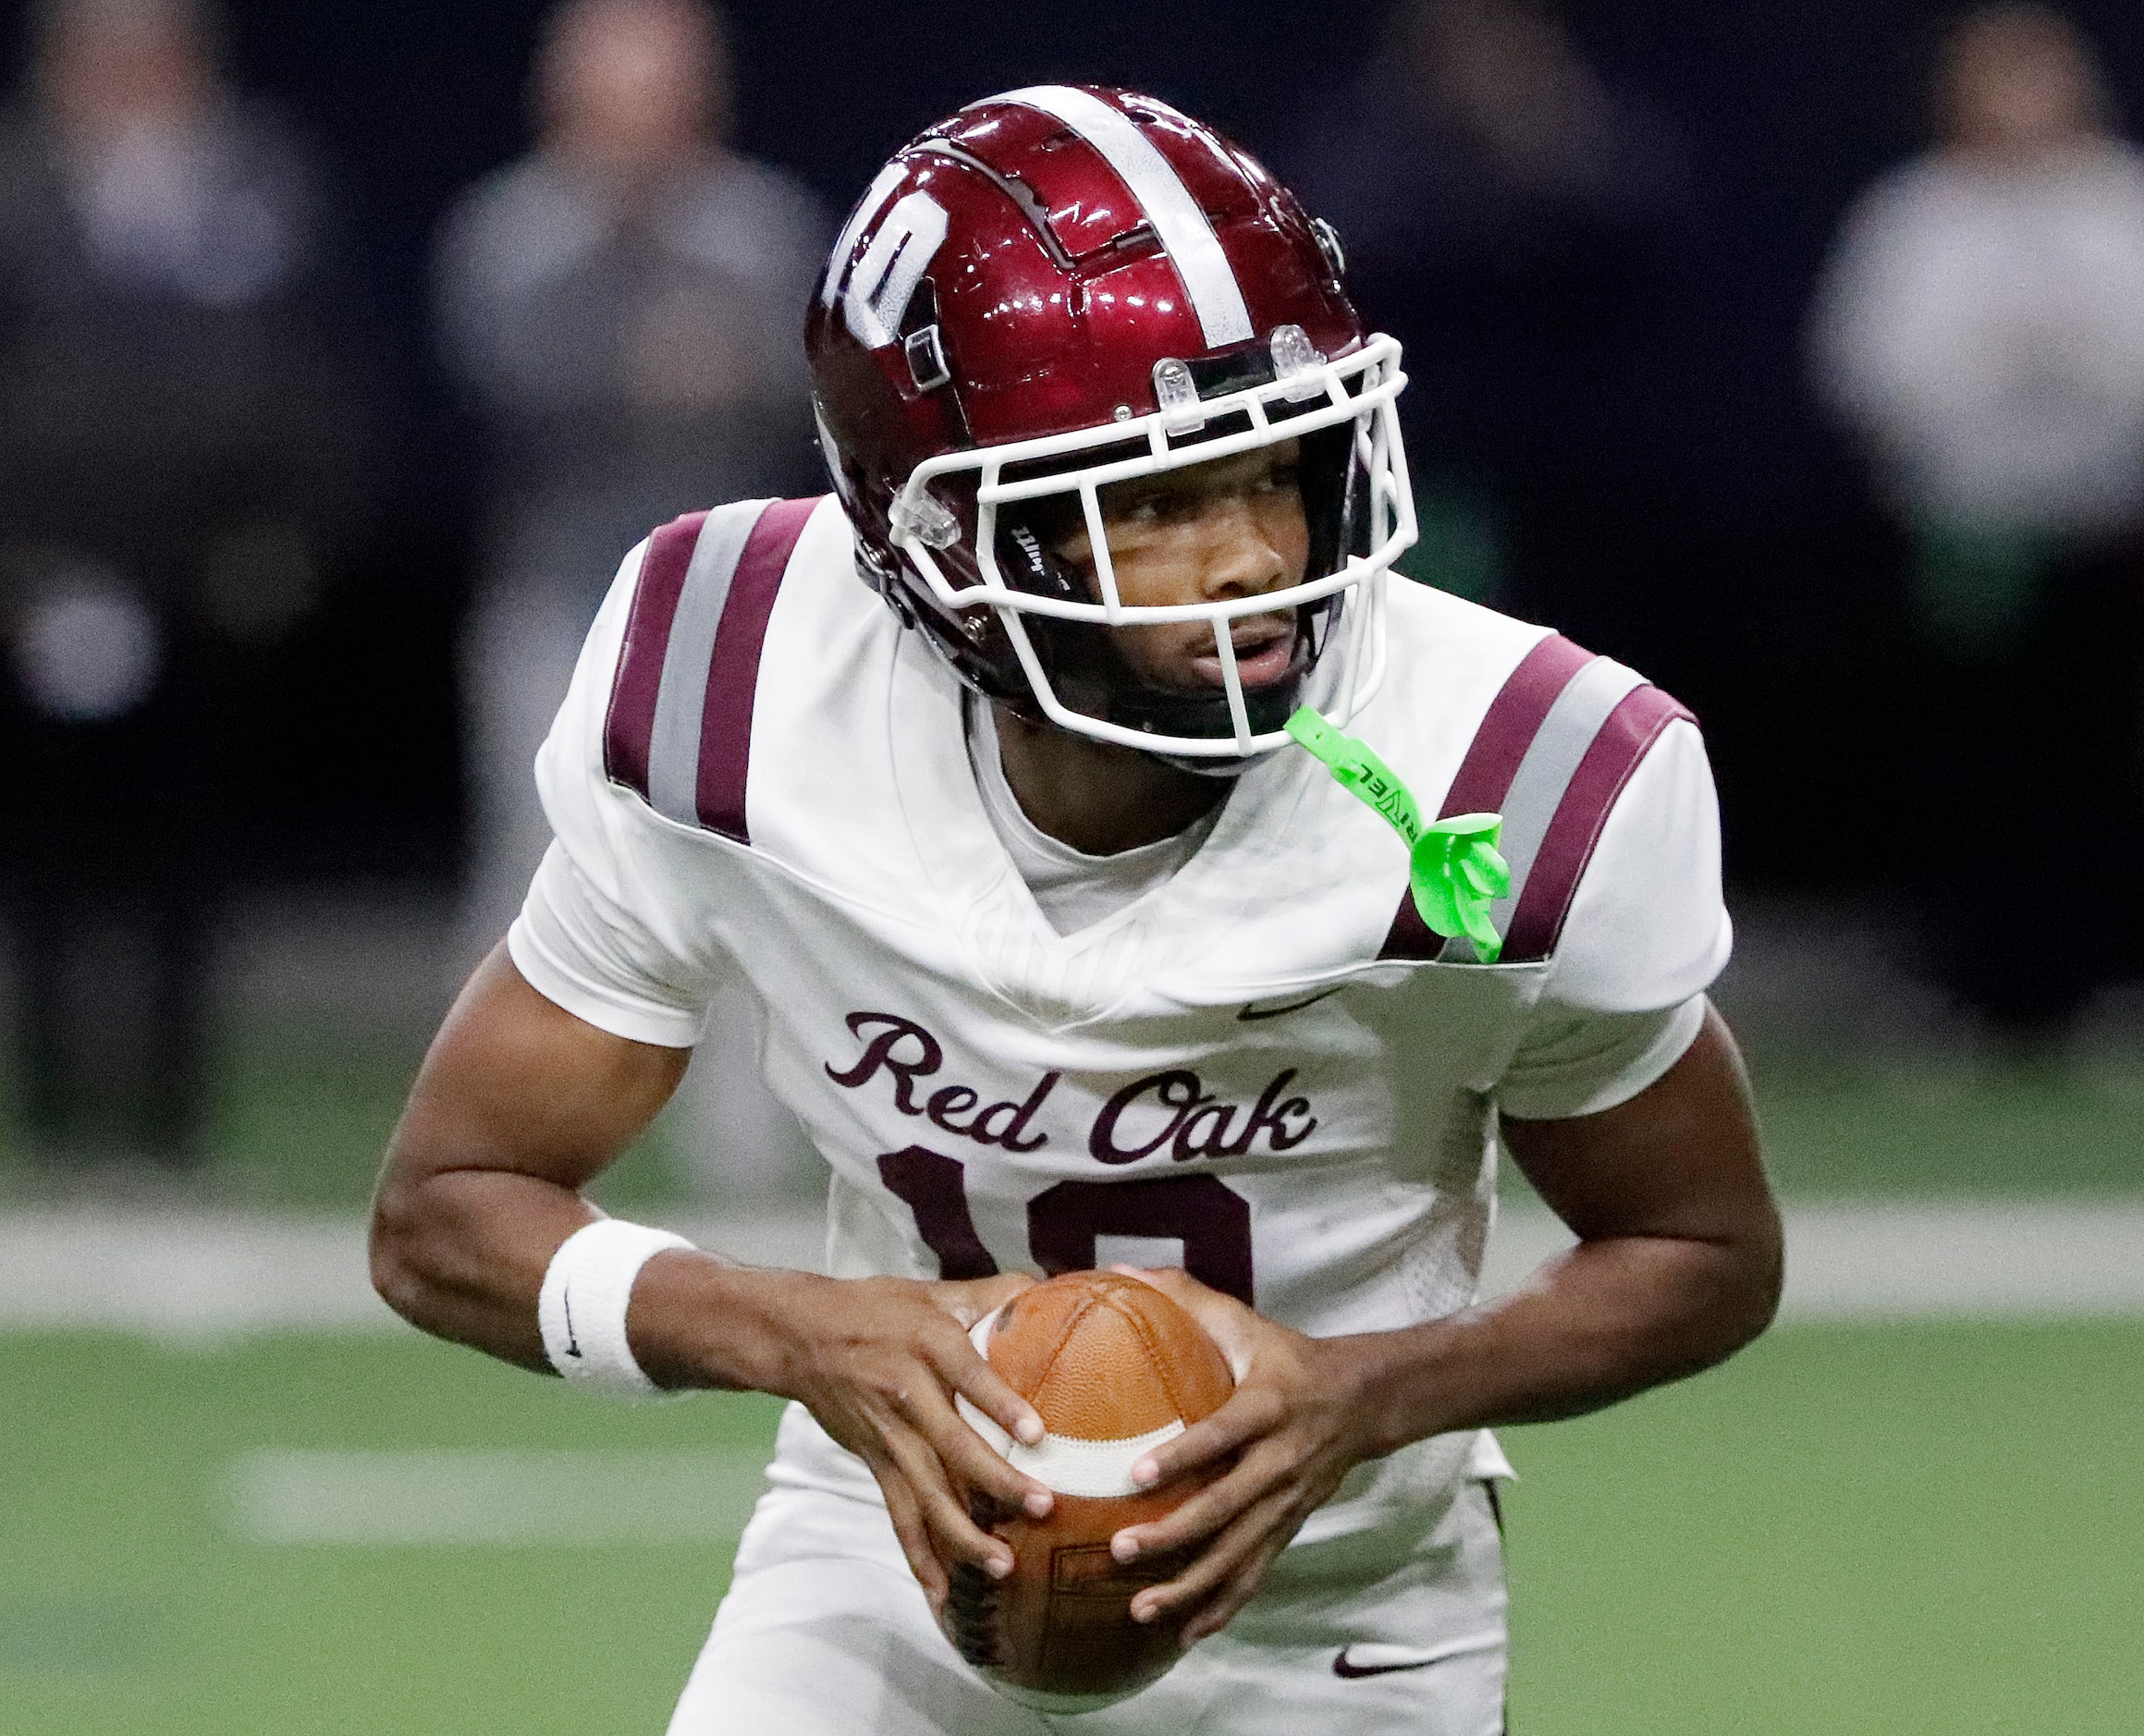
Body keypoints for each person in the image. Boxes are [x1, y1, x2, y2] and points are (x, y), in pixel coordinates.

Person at [373, 87, 1782, 1734]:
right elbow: (445, 1213)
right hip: (883, 1547)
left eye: (1279, 468)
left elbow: (1697, 1248)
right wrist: (801, 1333)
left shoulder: (1510, 771)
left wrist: (1357, 1395)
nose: (1253, 559)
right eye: (1156, 502)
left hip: (1332, 1597)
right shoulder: (737, 676)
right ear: (943, 535)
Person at [435, 0, 830, 1197]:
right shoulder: (511, 232)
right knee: (528, 867)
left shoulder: (762, 229)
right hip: (559, 598)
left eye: (657, 90)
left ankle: (746, 1171)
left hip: (730, 616)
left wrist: (682, 361)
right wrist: (653, 355)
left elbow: (795, 384)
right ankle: (490, 1145)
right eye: (611, 92)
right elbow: (515, 379)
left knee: (744, 874)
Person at [0, 0, 377, 1166]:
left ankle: (171, 1113)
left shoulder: (258, 183)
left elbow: (320, 364)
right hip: (46, 571)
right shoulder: (17, 188)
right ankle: (59, 1114)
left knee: (187, 859)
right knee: (54, 855)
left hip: (207, 574)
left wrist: (289, 536)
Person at [1807, 3, 2144, 1039]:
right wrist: (1983, 376)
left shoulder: (2120, 203)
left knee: (2104, 766)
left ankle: (2103, 985)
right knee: (1978, 773)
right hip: (1971, 544)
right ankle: (1972, 990)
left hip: (2104, 541)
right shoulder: (1919, 214)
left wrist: (2076, 361)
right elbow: (1865, 370)